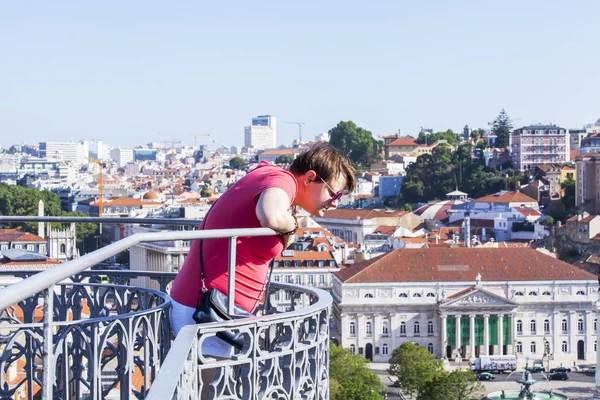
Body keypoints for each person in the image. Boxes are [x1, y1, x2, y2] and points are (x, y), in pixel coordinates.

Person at [170, 142, 356, 358]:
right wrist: (293, 225)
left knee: (208, 388)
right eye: (333, 194)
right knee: (203, 389)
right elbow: (270, 216)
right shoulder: (282, 181)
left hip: (219, 311)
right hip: (205, 310)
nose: (334, 203)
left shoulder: (272, 177)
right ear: (309, 178)